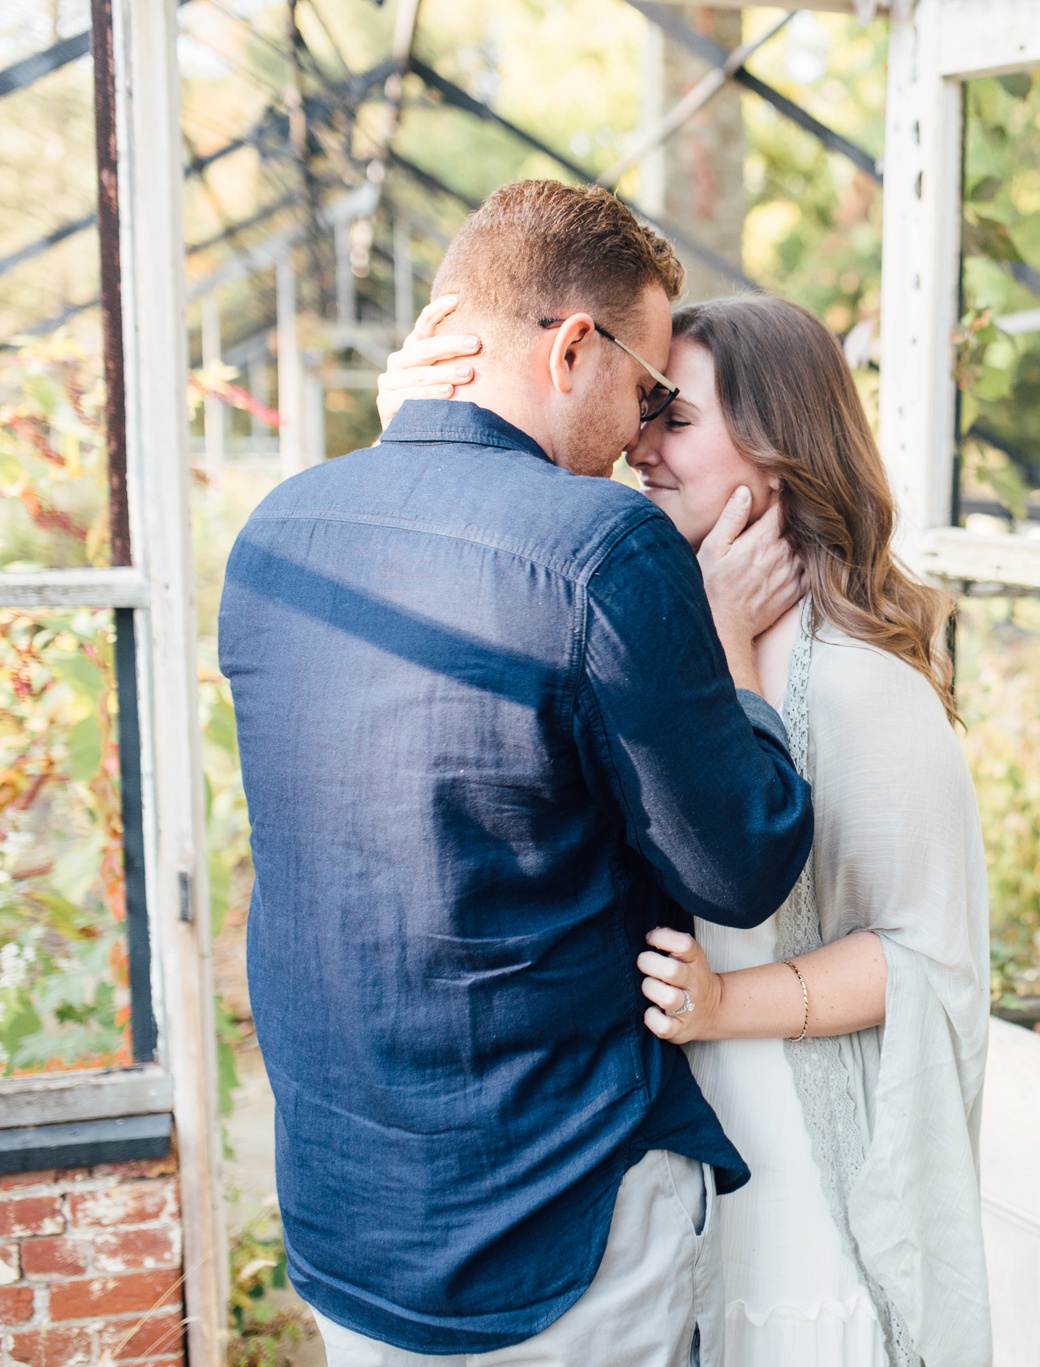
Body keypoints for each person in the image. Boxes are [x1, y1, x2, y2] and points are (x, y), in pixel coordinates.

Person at [219, 180, 815, 1367]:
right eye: (648, 390)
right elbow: (742, 858)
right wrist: (735, 656)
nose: (644, 432)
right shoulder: (603, 546)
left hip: (350, 1212)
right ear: (573, 346)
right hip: (550, 1215)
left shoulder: (281, 529)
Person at [378, 292, 994, 1366]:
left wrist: (722, 1005)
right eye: (644, 412)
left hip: (796, 1162)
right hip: (656, 1172)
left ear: (777, 449)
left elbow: (926, 957)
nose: (640, 448)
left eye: (676, 418)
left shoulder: (860, 688)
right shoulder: (637, 631)